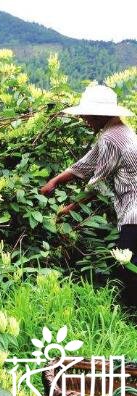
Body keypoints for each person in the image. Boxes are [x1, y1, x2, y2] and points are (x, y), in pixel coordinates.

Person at [40, 83, 137, 306]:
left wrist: (70, 208)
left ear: (100, 115)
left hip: (134, 215)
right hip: (132, 214)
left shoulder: (110, 139)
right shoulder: (118, 131)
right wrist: (54, 181)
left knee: (127, 273)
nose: (84, 118)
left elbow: (98, 186)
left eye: (87, 115)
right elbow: (85, 164)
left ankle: (127, 323)